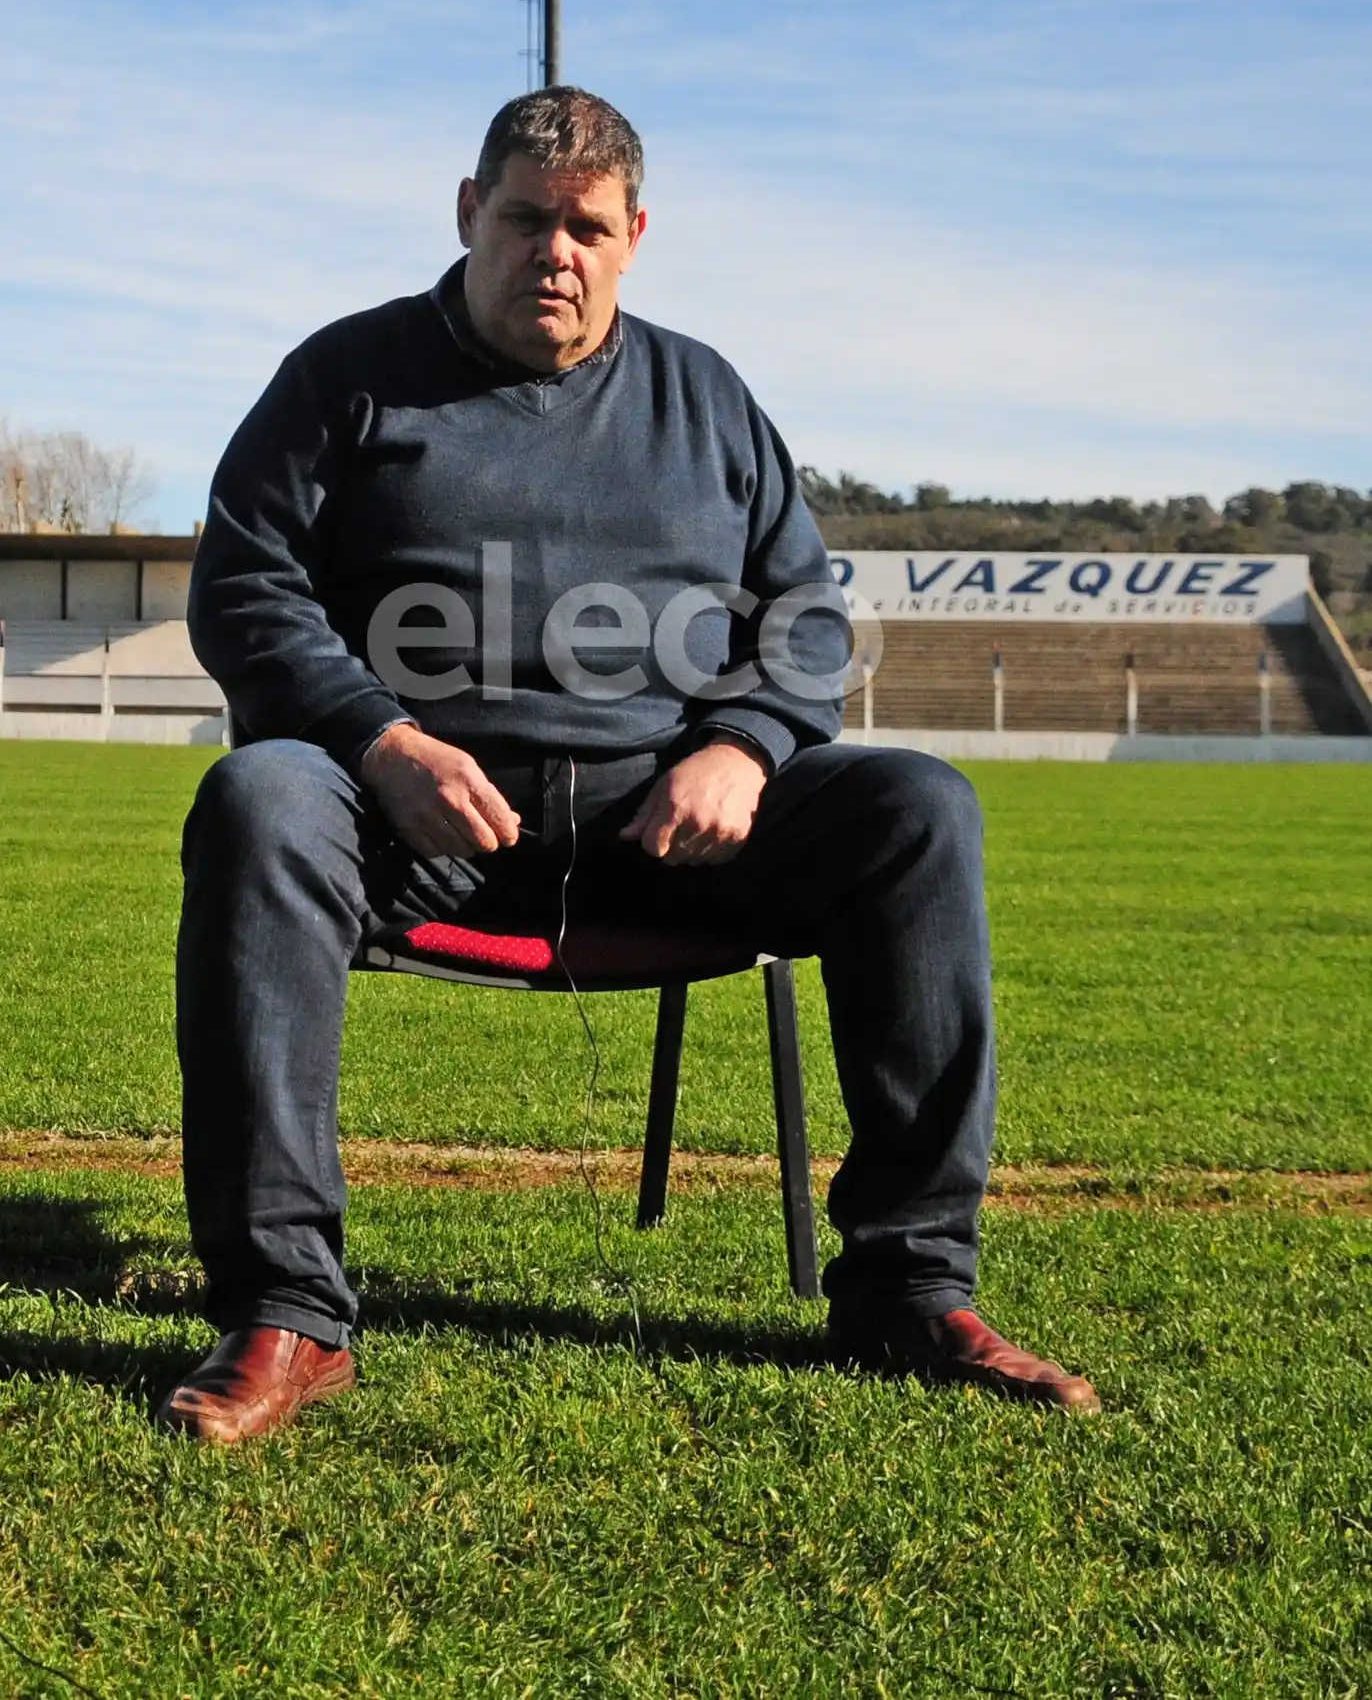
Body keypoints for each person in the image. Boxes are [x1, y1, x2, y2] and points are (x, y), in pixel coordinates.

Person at [157, 86, 1098, 1443]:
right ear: (469, 211)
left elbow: (805, 610)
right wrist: (380, 737)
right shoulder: (344, 378)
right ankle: (288, 1311)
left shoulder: (704, 396)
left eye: (588, 227)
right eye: (528, 219)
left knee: (918, 808)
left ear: (636, 234)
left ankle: (911, 1288)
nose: (557, 251)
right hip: (412, 827)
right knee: (256, 796)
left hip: (670, 835)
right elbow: (246, 588)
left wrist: (744, 741)